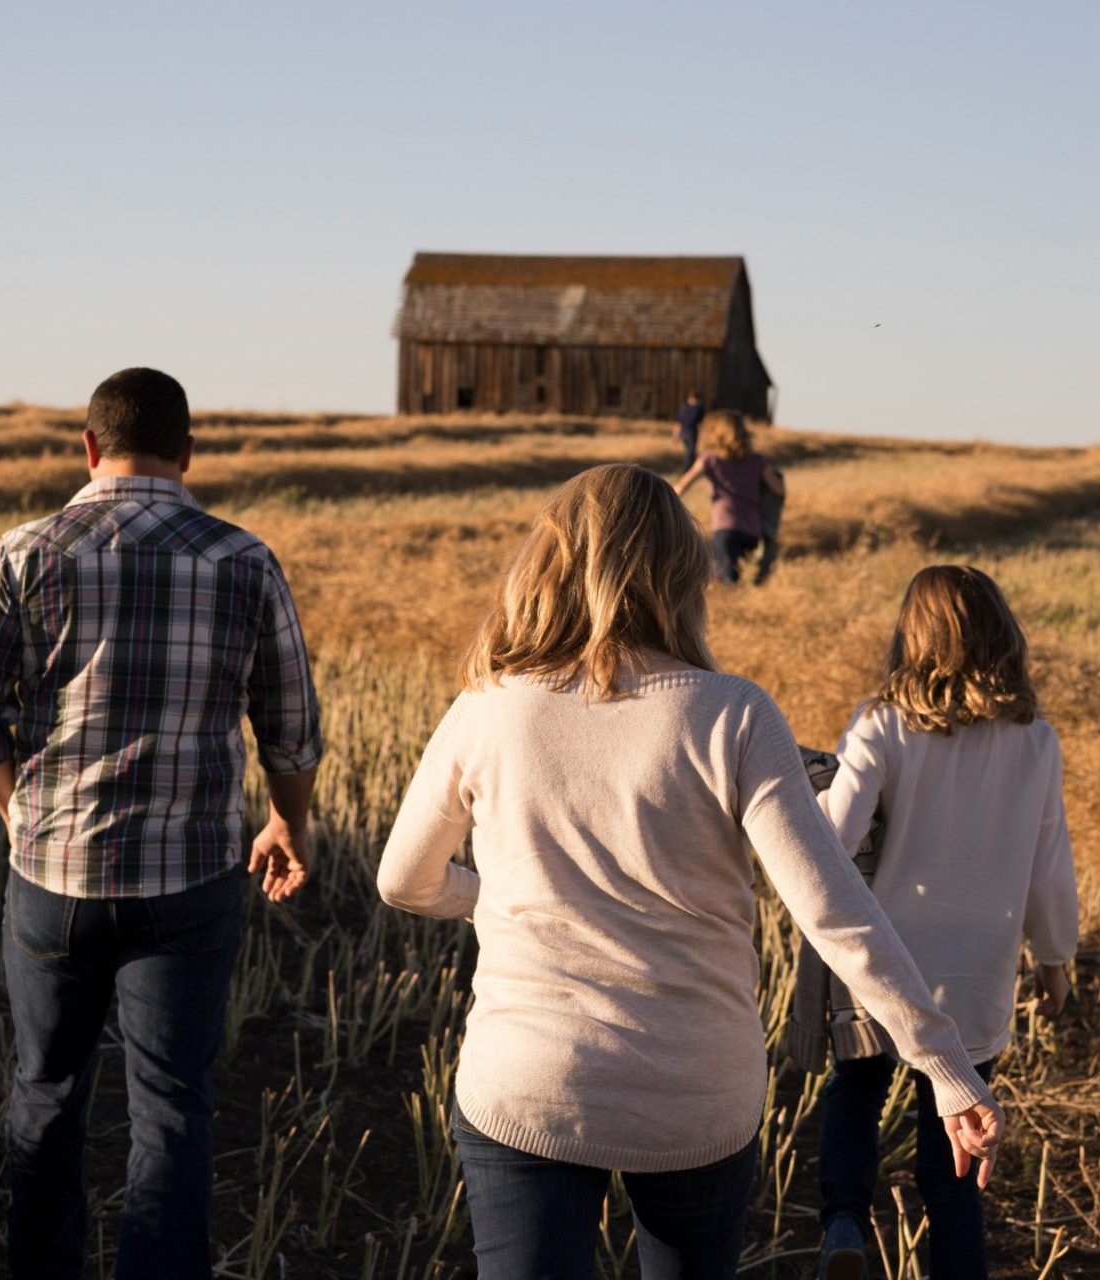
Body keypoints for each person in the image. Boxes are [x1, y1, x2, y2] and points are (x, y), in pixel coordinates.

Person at [376, 465, 1003, 1280]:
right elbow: (832, 911)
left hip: (527, 1085)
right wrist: (946, 1070)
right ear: (683, 570)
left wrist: (501, 900)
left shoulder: (487, 707)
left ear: (549, 563)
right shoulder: (735, 714)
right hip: (695, 1096)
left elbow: (404, 880)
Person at [0, 367, 323, 1279]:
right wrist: (287, 824)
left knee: (45, 1091)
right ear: (188, 454)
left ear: (87, 447)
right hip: (190, 885)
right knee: (173, 1105)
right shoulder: (243, 559)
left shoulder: (26, 551)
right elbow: (292, 729)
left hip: (53, 881)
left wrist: (17, 815)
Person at [802, 565, 1078, 1279]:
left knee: (856, 1090)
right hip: (979, 969)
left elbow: (833, 838)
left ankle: (842, 1224)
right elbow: (1050, 861)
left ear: (912, 638)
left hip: (887, 959)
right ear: (1003, 636)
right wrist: (1054, 958)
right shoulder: (1035, 741)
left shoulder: (882, 723)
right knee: (953, 1162)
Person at [675, 410, 784, 585]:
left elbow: (679, 488)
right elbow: (778, 490)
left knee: (725, 584)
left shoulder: (709, 461)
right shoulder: (757, 461)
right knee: (746, 582)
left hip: (725, 529)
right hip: (753, 532)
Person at [673, 391, 706, 471]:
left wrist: (675, 436)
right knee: (690, 453)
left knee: (689, 452)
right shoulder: (699, 408)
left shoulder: (682, 408)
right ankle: (686, 470)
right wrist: (703, 435)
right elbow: (700, 424)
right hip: (692, 433)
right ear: (698, 399)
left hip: (683, 433)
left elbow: (677, 424)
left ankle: (691, 468)